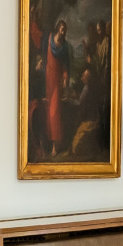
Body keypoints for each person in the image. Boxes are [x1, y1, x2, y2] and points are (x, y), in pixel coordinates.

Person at [45, 17, 70, 155]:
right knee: (48, 111)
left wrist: (65, 77)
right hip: (47, 79)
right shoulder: (49, 38)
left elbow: (66, 65)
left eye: (65, 30)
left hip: (56, 81)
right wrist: (39, 61)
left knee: (54, 112)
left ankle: (55, 145)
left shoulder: (64, 46)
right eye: (62, 29)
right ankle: (48, 143)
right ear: (58, 28)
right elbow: (43, 54)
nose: (63, 32)